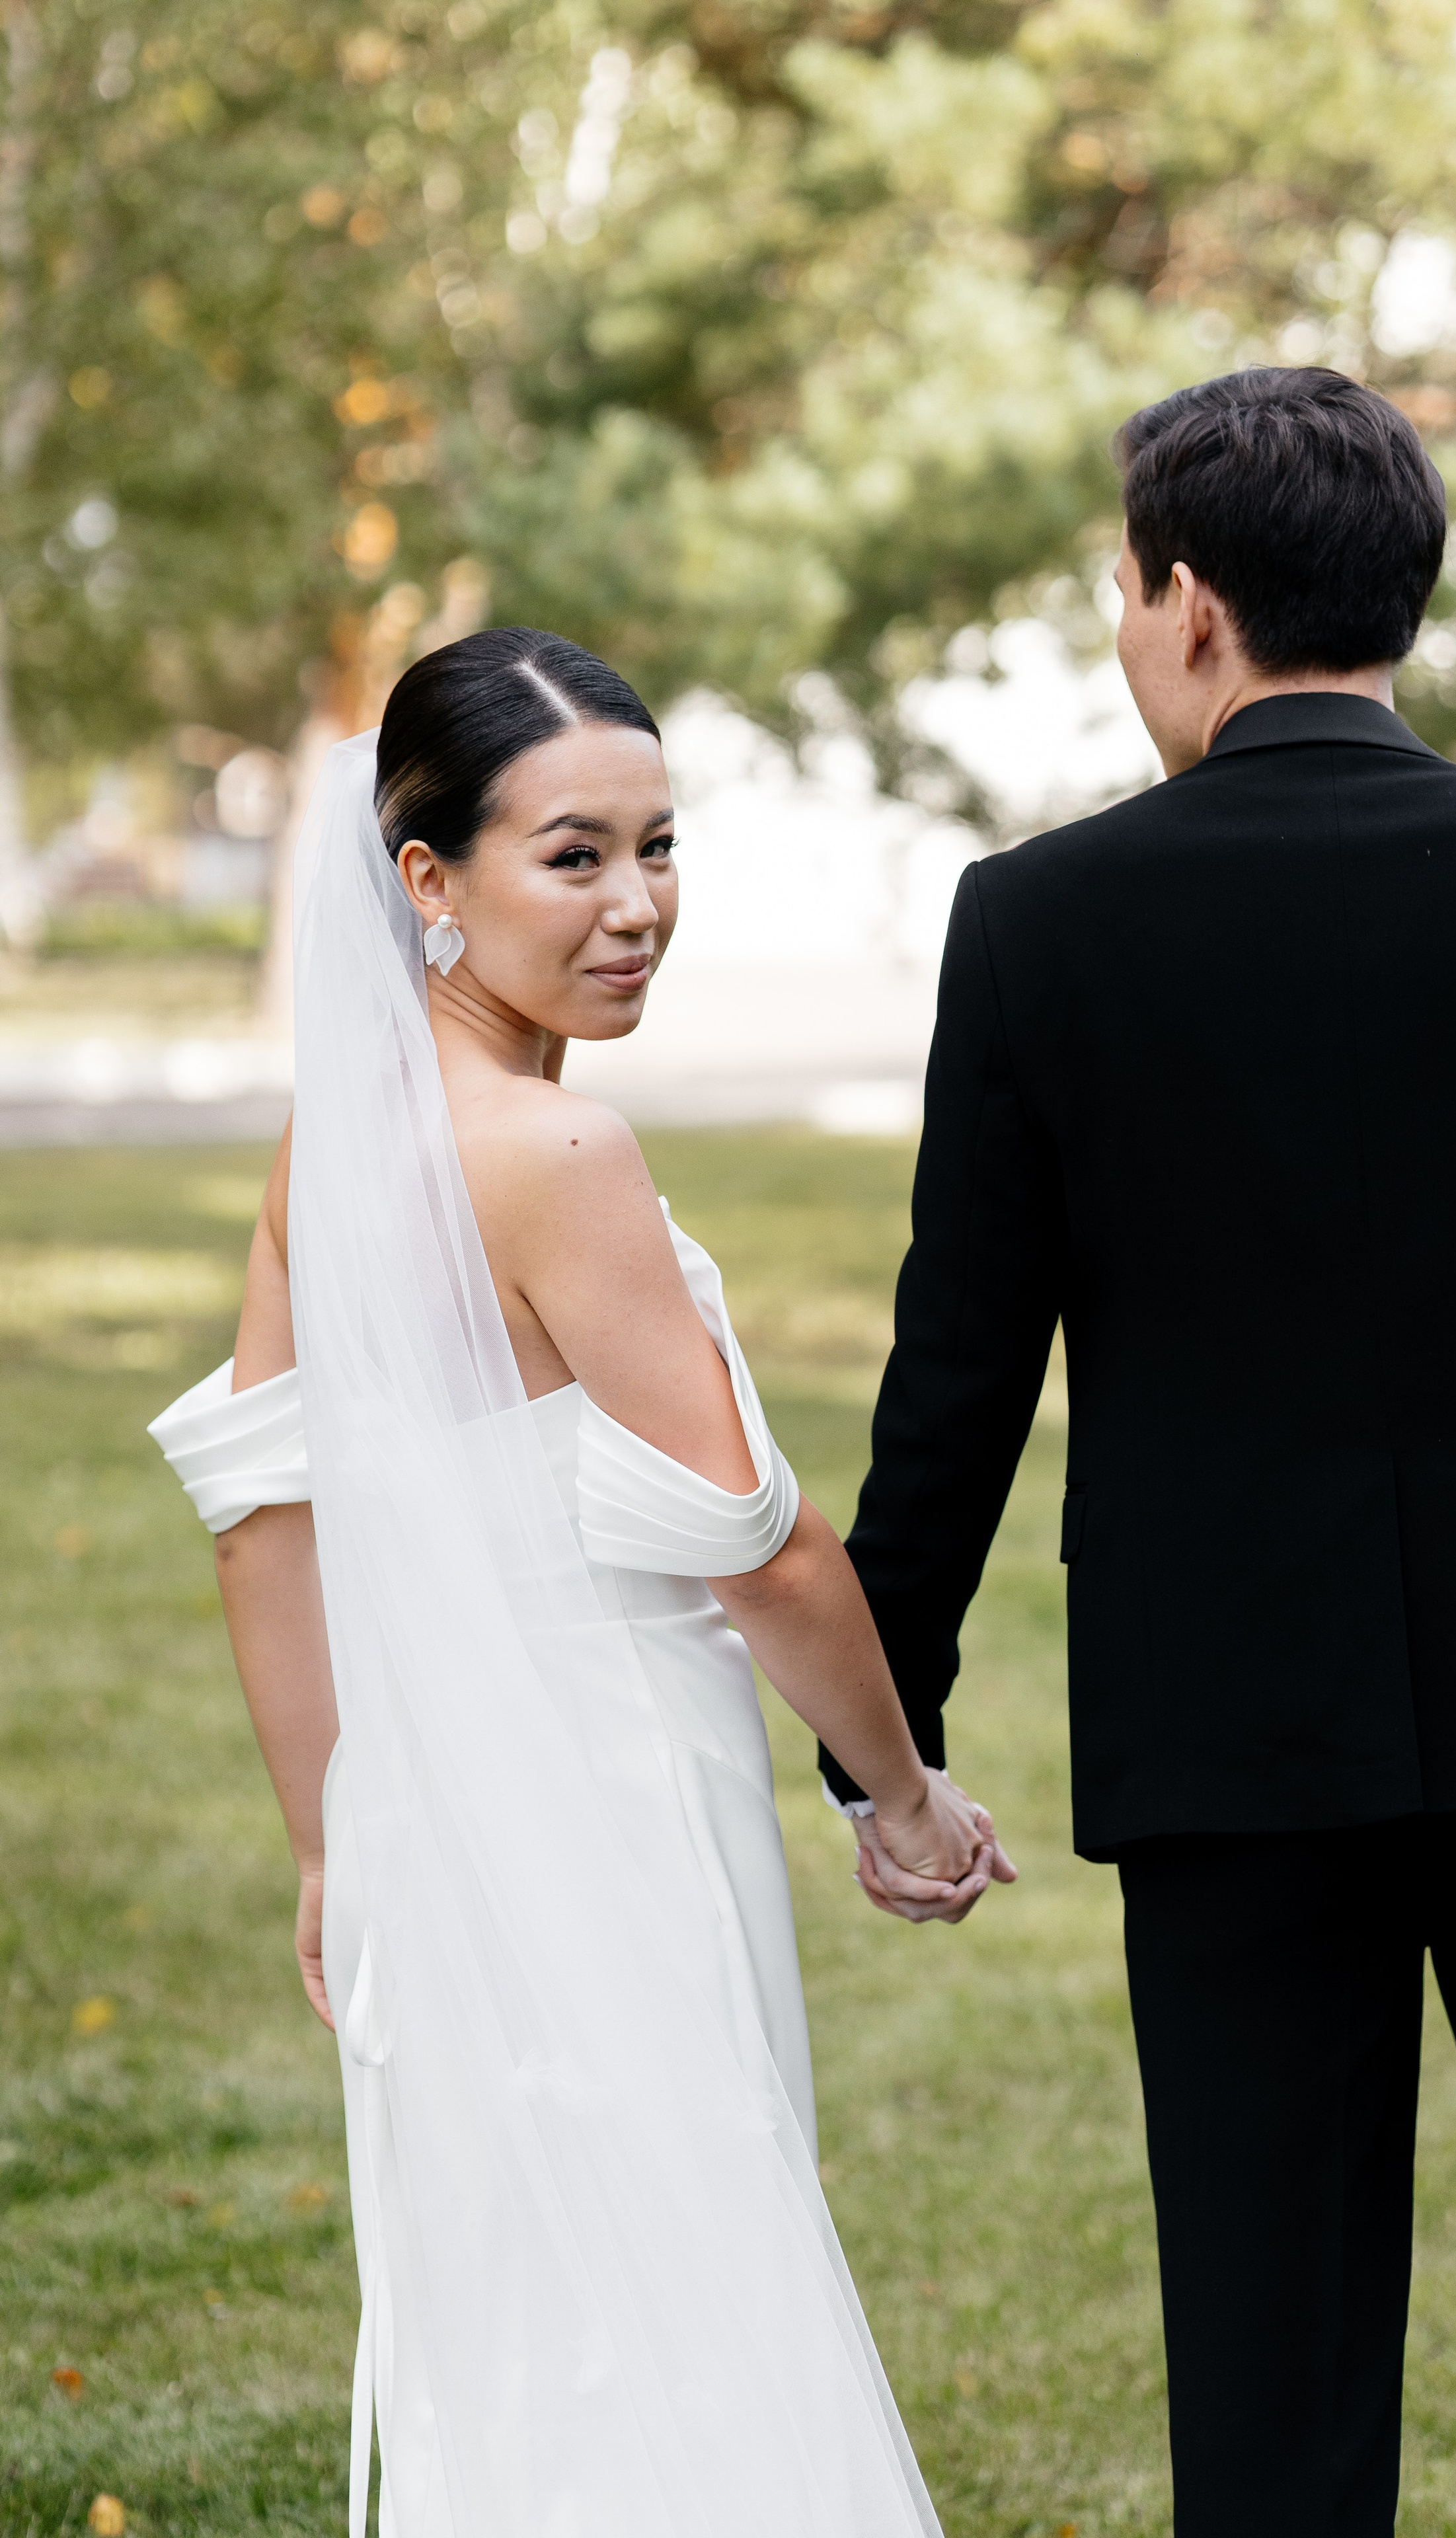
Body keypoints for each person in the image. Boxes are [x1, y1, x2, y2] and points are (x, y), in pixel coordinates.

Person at [828, 367, 1456, 2536]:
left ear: (1191, 605)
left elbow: (960, 1379)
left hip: (1234, 1742)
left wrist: (883, 1740)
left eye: (1126, 595)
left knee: (1271, 2343)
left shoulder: (1044, 920)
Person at [149, 628, 1009, 2538]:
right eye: (574, 856)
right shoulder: (563, 1149)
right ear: (426, 882)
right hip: (621, 1802)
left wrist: (332, 1840)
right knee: (693, 2285)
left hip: (432, 1833)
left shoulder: (336, 1153)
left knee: (523, 2299)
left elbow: (256, 1519)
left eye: (660, 846)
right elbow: (768, 1552)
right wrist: (905, 1800)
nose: (639, 908)